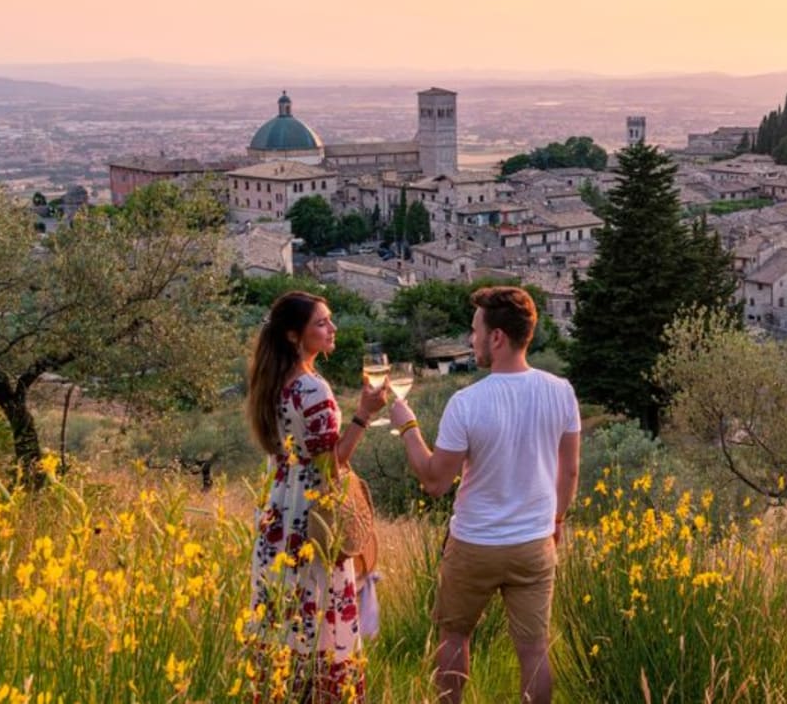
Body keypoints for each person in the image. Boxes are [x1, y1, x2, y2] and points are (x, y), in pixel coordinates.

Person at [390, 286, 581, 704]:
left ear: (497, 338)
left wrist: (407, 427)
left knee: (455, 635)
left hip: (474, 543)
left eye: (475, 330)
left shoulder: (466, 403)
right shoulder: (561, 391)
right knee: (533, 650)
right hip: (534, 542)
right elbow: (569, 470)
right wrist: (558, 521)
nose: (470, 339)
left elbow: (435, 481)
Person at [246, 291, 388, 702]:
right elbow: (330, 465)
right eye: (322, 323)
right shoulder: (313, 389)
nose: (333, 328)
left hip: (279, 515)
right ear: (295, 335)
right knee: (321, 624)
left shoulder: (272, 381)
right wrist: (364, 414)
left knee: (284, 627)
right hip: (314, 522)